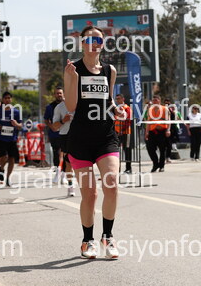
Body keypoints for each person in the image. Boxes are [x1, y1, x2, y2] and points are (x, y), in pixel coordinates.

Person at [64, 25, 121, 259]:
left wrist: (116, 109)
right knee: (90, 195)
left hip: (105, 136)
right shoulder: (72, 69)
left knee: (112, 185)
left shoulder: (109, 70)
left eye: (99, 40)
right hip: (80, 140)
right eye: (90, 40)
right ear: (82, 43)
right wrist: (73, 79)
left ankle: (108, 236)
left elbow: (108, 100)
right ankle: (87, 240)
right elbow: (71, 106)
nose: (95, 44)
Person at [0, 91, 23, 188]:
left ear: (11, 99)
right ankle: (1, 168)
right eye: (5, 98)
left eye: (9, 98)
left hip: (12, 138)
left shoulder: (16, 112)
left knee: (12, 158)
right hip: (1, 138)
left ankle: (8, 178)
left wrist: (16, 124)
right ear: (3, 100)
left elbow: (21, 126)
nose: (7, 100)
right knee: (4, 157)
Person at [50, 95, 75, 196]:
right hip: (65, 136)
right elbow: (54, 126)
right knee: (69, 163)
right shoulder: (59, 107)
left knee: (82, 162)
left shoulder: (80, 104)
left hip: (79, 135)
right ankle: (70, 185)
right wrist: (63, 120)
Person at [144, 95, 170, 172]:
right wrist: (147, 132)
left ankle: (161, 166)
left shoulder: (165, 109)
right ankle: (155, 164)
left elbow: (168, 120)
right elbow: (148, 122)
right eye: (153, 100)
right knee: (150, 148)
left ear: (159, 101)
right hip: (152, 132)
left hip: (162, 131)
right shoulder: (150, 109)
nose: (154, 102)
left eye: (156, 100)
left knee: (162, 150)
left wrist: (168, 130)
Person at [44, 87, 65, 174]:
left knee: (65, 152)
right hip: (55, 134)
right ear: (54, 95)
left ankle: (65, 171)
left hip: (65, 132)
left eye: (60, 93)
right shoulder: (50, 107)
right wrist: (51, 126)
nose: (59, 95)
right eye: (57, 93)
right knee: (56, 152)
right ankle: (57, 170)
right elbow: (46, 119)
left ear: (63, 94)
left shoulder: (67, 105)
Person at [114, 94, 132, 174]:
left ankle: (128, 168)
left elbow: (128, 121)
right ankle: (117, 168)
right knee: (115, 150)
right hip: (117, 132)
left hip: (125, 132)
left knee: (127, 149)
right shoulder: (116, 109)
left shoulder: (127, 108)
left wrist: (122, 130)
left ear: (123, 99)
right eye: (116, 99)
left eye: (119, 98)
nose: (117, 100)